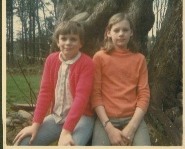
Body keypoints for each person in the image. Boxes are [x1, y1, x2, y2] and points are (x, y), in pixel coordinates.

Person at [13, 21, 95, 146]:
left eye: (73, 39)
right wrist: (35, 125)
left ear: (80, 43)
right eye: (64, 38)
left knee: (69, 146)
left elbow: (81, 99)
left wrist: (66, 132)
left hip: (82, 118)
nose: (68, 43)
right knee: (22, 143)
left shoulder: (87, 63)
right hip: (57, 117)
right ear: (58, 42)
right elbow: (45, 93)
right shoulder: (51, 60)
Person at [91, 13, 151, 146]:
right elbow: (95, 94)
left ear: (131, 33)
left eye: (125, 30)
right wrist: (109, 129)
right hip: (106, 119)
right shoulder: (99, 58)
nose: (121, 34)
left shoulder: (139, 59)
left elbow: (144, 94)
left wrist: (132, 127)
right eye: (116, 30)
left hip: (133, 117)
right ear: (108, 33)